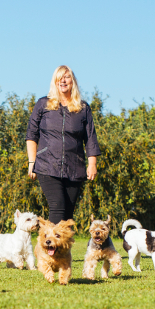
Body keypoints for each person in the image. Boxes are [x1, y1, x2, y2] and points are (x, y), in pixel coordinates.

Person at [26, 65, 101, 223]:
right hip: (47, 165)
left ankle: (64, 248)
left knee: (67, 214)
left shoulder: (83, 108)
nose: (63, 80)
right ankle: (50, 247)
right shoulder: (43, 104)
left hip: (75, 167)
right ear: (55, 81)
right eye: (60, 77)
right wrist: (32, 162)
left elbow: (90, 138)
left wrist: (92, 163)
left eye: (67, 77)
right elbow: (31, 135)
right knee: (57, 205)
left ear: (73, 82)